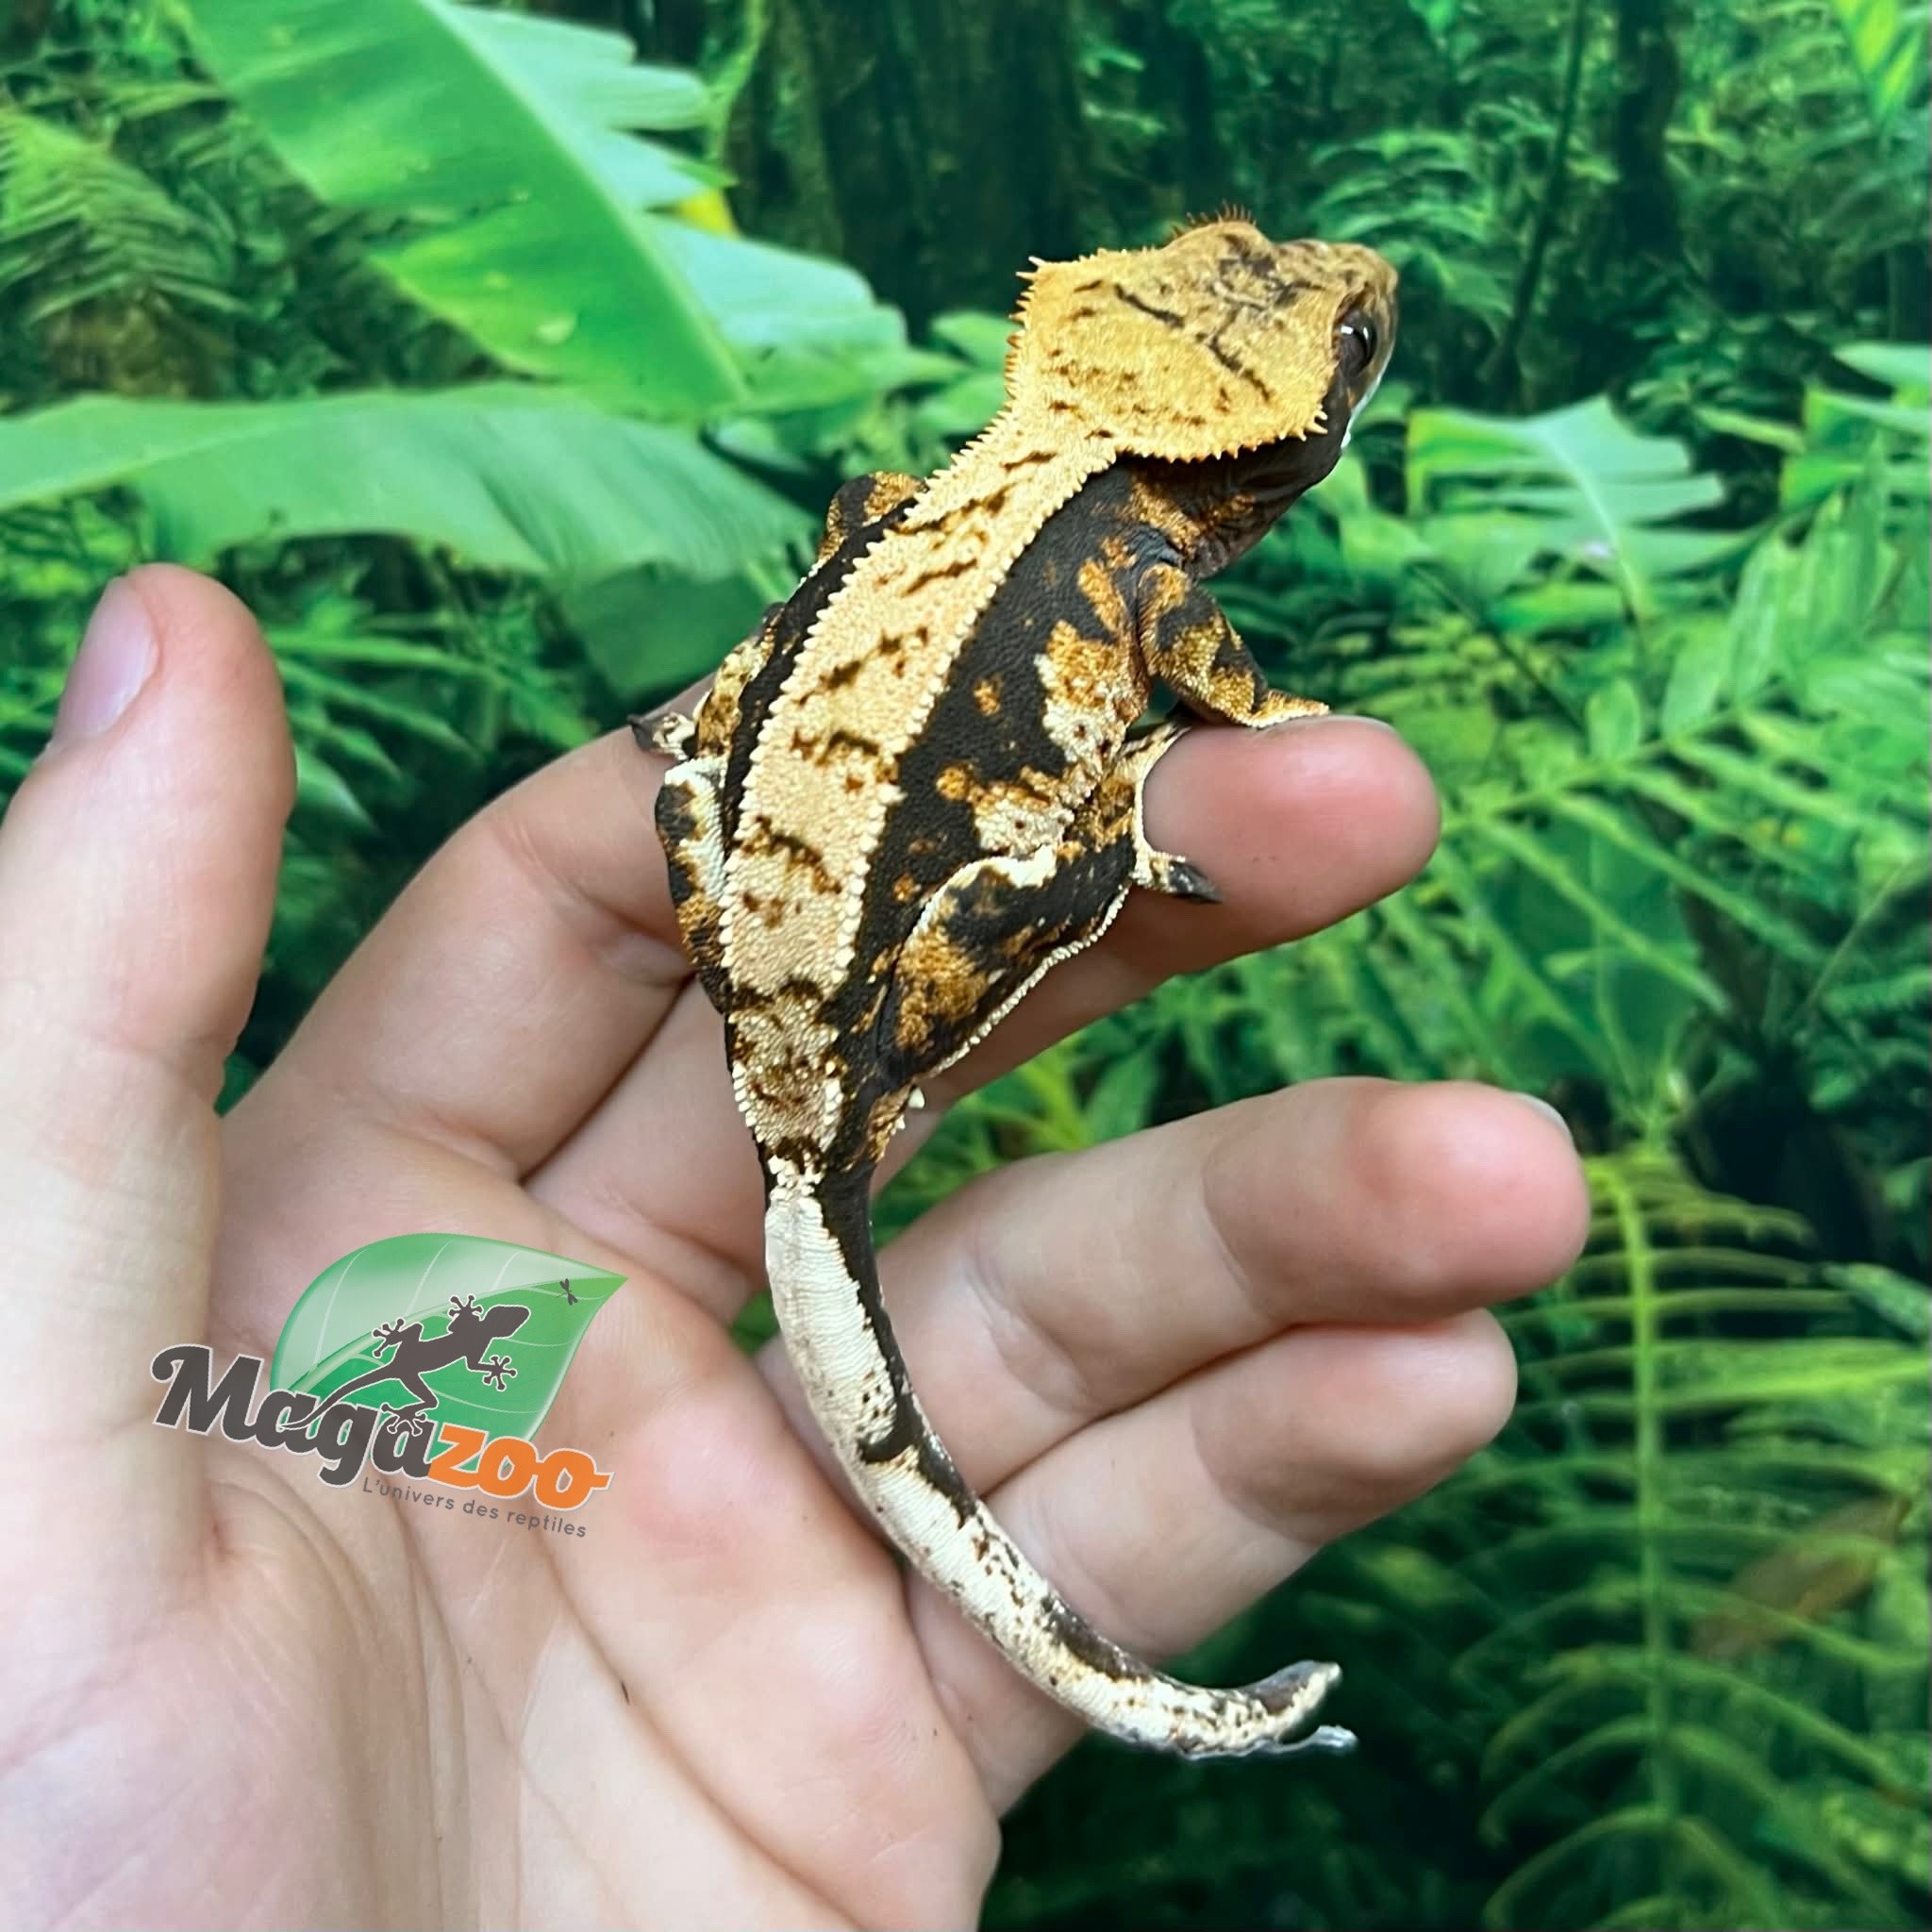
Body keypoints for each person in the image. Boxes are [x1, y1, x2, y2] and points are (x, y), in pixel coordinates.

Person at [0, 567, 1589, 1928]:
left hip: (792, 951)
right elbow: (1206, 679)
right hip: (819, 986)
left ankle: (1121, 1677)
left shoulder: (1025, 540)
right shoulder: (1138, 573)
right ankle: (1123, 1680)